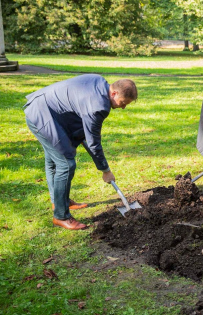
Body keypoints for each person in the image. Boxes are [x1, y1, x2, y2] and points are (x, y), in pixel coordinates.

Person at [24, 74, 137, 230]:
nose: (123, 107)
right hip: (42, 116)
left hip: (44, 109)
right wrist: (105, 170)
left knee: (53, 161)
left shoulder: (99, 81)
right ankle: (61, 216)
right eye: (123, 103)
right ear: (114, 93)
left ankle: (58, 201)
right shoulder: (99, 106)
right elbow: (93, 142)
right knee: (66, 164)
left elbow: (86, 131)